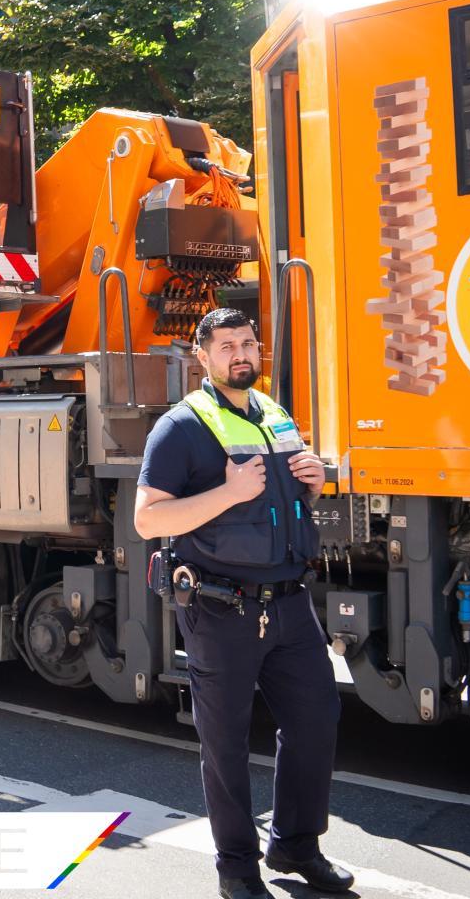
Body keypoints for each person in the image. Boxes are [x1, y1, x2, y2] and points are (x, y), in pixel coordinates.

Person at [134, 308, 347, 899]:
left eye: (248, 342)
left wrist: (314, 478)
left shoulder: (276, 416)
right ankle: (237, 870)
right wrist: (228, 492)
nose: (239, 354)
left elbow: (287, 501)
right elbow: (147, 517)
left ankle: (296, 845)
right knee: (225, 744)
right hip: (220, 607)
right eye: (226, 346)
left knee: (315, 721)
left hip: (289, 602)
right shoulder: (180, 428)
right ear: (202, 357)